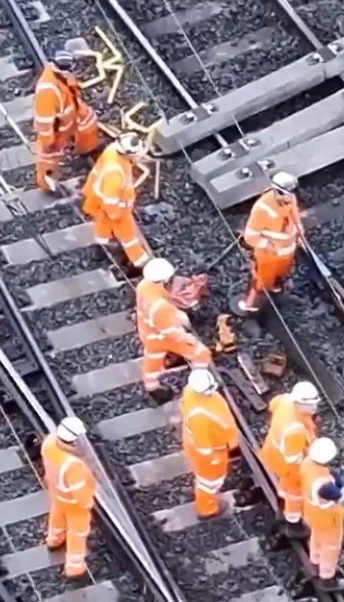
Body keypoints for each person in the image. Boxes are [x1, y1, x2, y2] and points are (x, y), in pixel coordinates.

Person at [136, 259, 209, 399]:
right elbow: (171, 332)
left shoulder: (143, 285)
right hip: (162, 338)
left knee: (153, 360)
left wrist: (175, 312)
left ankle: (152, 388)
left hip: (147, 333)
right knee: (201, 353)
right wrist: (189, 338)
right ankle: (198, 384)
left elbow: (163, 299)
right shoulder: (159, 307)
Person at [31, 43, 98, 193]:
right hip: (60, 129)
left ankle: (86, 151)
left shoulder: (62, 74)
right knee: (50, 158)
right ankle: (47, 185)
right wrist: (49, 142)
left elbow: (71, 88)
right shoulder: (47, 91)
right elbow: (44, 122)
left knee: (89, 122)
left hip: (73, 111)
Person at [82, 131, 152, 270]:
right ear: (127, 153)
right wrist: (118, 213)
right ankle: (139, 261)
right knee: (127, 233)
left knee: (102, 225)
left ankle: (101, 246)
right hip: (114, 207)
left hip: (98, 199)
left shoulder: (113, 151)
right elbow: (111, 200)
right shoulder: (115, 173)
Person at [179, 368, 239, 519]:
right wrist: (213, 460)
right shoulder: (200, 416)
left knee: (206, 479)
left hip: (212, 445)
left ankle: (203, 490)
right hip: (210, 453)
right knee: (210, 482)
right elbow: (203, 446)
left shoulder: (191, 392)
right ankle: (207, 509)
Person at [39, 416, 94, 579]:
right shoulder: (73, 465)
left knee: (57, 516)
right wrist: (88, 504)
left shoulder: (49, 443)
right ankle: (75, 567)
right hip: (74, 504)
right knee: (78, 532)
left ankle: (54, 540)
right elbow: (81, 493)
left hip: (56, 493)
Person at [240, 172, 302, 314]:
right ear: (279, 192)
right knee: (261, 281)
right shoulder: (262, 208)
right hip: (268, 255)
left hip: (287, 251)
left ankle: (276, 287)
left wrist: (299, 229)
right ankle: (252, 305)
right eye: (288, 194)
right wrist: (266, 245)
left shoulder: (290, 198)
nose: (291, 197)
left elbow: (294, 214)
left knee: (279, 275)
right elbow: (250, 236)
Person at [261, 381, 321, 526]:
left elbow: (272, 405)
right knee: (295, 492)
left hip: (271, 451)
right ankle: (293, 519)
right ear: (300, 403)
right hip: (285, 463)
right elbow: (293, 461)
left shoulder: (286, 399)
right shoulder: (295, 430)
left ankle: (282, 492)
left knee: (285, 484)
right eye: (311, 405)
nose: (315, 408)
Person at [298, 437, 344, 585]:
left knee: (316, 537)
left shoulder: (307, 464)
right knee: (331, 547)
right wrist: (343, 483)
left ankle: (315, 559)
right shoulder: (325, 486)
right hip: (328, 519)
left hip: (311, 512)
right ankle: (327, 576)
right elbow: (340, 495)